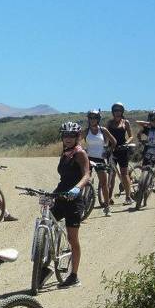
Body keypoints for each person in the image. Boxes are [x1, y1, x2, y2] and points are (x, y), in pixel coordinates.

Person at [49, 122, 91, 287]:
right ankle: (44, 259)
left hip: (74, 200)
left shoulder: (80, 154)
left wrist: (77, 189)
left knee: (73, 239)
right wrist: (52, 193)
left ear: (77, 137)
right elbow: (64, 178)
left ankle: (74, 276)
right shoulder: (65, 153)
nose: (67, 139)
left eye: (71, 136)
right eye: (65, 135)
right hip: (61, 196)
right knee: (47, 221)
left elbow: (86, 175)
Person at [83, 110, 117, 216]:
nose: (93, 120)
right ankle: (81, 204)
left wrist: (108, 151)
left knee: (104, 183)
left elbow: (114, 142)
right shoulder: (85, 131)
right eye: (91, 118)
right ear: (88, 119)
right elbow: (76, 142)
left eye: (95, 118)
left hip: (100, 159)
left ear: (98, 119)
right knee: (84, 181)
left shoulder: (103, 130)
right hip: (88, 158)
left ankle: (107, 207)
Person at [106, 102, 134, 205]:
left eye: (119, 110)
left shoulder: (125, 122)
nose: (117, 112)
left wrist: (126, 143)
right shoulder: (109, 123)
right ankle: (108, 198)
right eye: (115, 110)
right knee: (111, 175)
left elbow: (131, 136)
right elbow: (106, 136)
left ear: (122, 111)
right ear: (113, 112)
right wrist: (104, 146)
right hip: (112, 151)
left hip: (122, 150)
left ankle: (128, 197)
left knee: (124, 174)